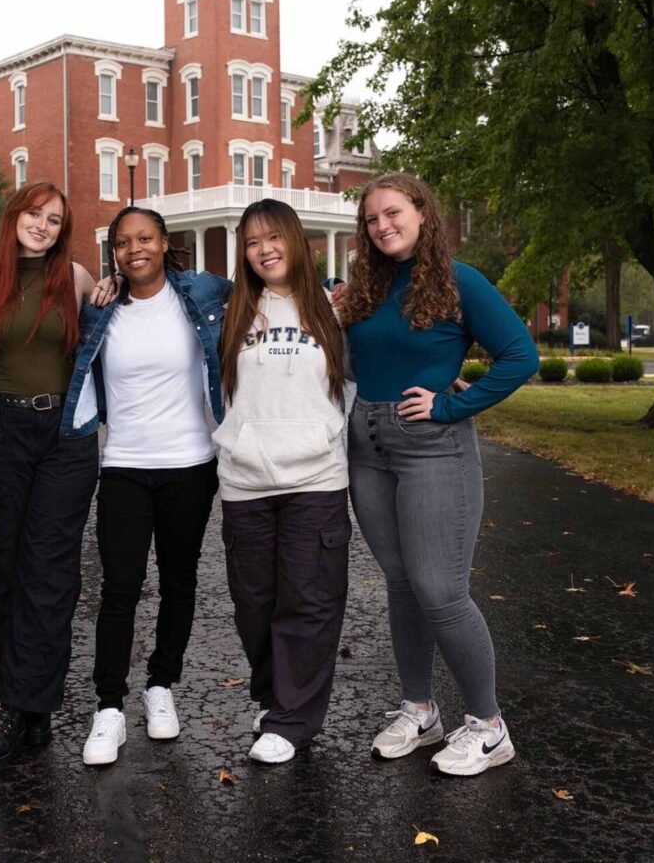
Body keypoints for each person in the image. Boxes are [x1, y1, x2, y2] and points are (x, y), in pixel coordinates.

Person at [341, 172, 539, 776]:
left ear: (423, 214)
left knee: (440, 590)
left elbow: (520, 356)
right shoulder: (366, 289)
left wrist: (452, 405)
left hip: (432, 448)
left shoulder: (460, 282)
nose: (383, 226)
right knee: (401, 585)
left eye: (394, 213)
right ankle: (420, 711)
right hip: (367, 448)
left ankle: (488, 725)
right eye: (372, 219)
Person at [59, 206, 230, 766]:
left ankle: (162, 687)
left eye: (146, 238)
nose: (136, 249)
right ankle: (109, 707)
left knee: (180, 582)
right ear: (115, 253)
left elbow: (264, 285)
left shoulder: (201, 296)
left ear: (164, 243)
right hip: (125, 467)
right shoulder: (101, 312)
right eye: (124, 242)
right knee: (119, 587)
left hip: (190, 465)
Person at [0, 182, 98, 770]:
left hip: (65, 438)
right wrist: (10, 404)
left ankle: (16, 706)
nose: (43, 226)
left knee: (51, 573)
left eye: (54, 219)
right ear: (13, 215)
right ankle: (32, 710)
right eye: (34, 214)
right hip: (3, 433)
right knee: (9, 568)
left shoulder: (76, 279)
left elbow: (105, 343)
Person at [213, 199, 350, 765]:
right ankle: (276, 697)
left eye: (273, 237)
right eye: (251, 241)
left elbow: (396, 350)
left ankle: (293, 718)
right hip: (244, 477)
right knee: (254, 603)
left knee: (308, 600)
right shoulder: (227, 309)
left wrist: (449, 389)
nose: (264, 249)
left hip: (315, 477)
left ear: (296, 240)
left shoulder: (335, 308)